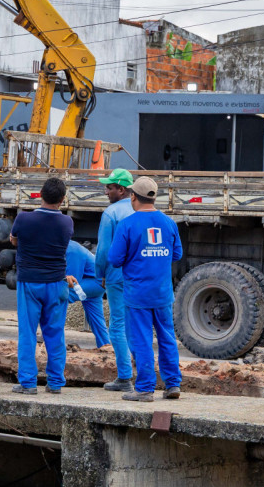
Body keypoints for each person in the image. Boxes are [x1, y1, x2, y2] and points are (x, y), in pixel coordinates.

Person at [108, 176, 183, 403]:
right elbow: (177, 254)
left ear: (133, 197)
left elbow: (114, 259)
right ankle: (173, 384)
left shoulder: (127, 225)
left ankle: (144, 388)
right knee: (167, 338)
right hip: (162, 294)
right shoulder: (169, 223)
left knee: (141, 341)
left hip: (137, 295)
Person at [9, 177, 73, 394]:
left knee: (27, 332)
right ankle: (55, 383)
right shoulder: (67, 223)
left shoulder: (23, 219)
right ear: (62, 200)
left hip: (29, 282)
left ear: (40, 193)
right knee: (55, 334)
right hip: (56, 283)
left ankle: (28, 383)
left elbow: (14, 240)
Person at [93, 168, 137, 392]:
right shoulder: (140, 210)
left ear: (121, 190)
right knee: (136, 324)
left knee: (117, 325)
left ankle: (124, 377)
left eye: (109, 187)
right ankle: (143, 375)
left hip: (116, 276)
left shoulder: (111, 213)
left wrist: (99, 273)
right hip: (137, 277)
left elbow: (103, 250)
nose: (106, 191)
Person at [65, 241, 110, 347]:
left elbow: (72, 280)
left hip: (95, 282)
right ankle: (106, 347)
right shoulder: (70, 246)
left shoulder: (71, 250)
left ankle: (50, 335)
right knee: (96, 320)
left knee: (62, 296)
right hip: (98, 282)